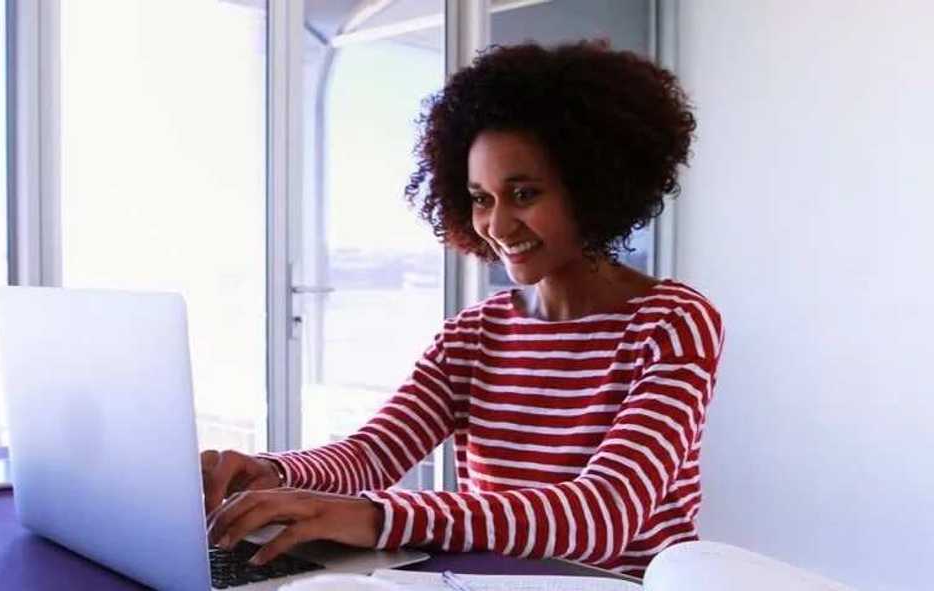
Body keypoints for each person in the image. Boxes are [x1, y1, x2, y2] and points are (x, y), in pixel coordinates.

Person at [203, 41, 723, 579]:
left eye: (523, 194)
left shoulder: (672, 324)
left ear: (592, 187)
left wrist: (378, 517)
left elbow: (601, 516)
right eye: (481, 198)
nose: (497, 227)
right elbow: (374, 454)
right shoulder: (473, 335)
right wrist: (269, 473)